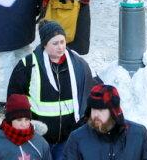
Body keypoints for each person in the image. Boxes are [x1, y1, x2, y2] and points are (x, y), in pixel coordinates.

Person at [7, 20, 95, 157]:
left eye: (62, 42)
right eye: (55, 43)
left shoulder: (78, 64)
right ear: (44, 44)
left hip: (68, 138)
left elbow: (90, 93)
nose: (60, 47)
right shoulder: (28, 64)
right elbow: (14, 99)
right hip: (37, 138)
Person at [61, 83, 147, 159]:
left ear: (113, 112)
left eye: (101, 110)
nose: (96, 115)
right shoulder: (77, 138)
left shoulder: (138, 134)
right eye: (93, 109)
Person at [0, 94, 53, 159]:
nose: (24, 124)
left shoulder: (40, 142)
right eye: (19, 120)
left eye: (27, 119)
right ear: (10, 121)